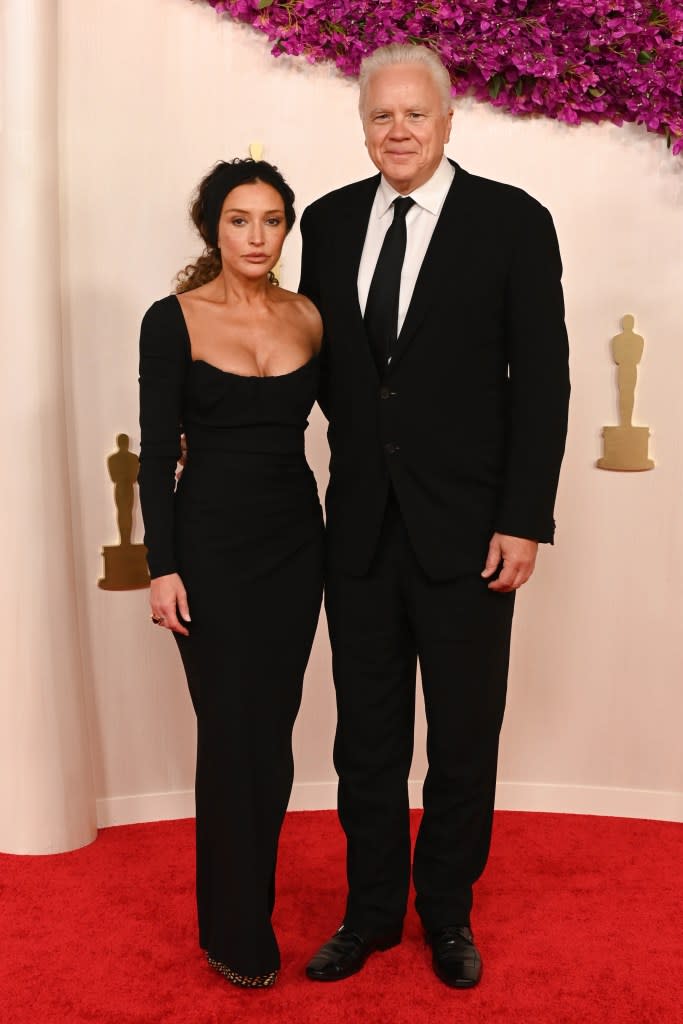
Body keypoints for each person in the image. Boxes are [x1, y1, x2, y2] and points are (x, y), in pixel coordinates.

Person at [299, 44, 570, 988]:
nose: (399, 130)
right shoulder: (327, 224)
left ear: (449, 120)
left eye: (416, 114)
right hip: (361, 531)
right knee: (364, 739)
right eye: (382, 116)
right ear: (363, 125)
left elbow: (542, 382)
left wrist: (523, 517)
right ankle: (370, 913)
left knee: (462, 736)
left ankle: (446, 912)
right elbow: (326, 369)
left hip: (470, 533)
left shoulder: (512, 221)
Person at [138, 158, 324, 988]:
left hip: (295, 543)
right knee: (229, 731)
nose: (257, 236)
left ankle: (255, 901)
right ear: (211, 227)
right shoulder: (170, 318)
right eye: (240, 219)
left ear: (287, 228)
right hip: (209, 548)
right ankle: (233, 927)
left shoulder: (311, 316)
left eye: (272, 220)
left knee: (272, 732)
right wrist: (163, 566)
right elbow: (153, 454)